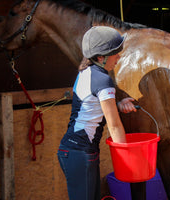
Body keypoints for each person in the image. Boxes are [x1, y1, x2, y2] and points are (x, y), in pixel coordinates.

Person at [57, 26, 136, 200]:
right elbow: (114, 126)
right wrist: (128, 160)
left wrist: (118, 103)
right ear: (101, 57)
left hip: (75, 151)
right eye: (115, 53)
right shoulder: (103, 80)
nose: (119, 57)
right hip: (80, 153)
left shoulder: (85, 72)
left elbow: (92, 102)